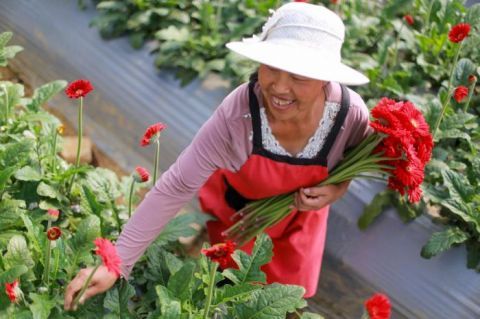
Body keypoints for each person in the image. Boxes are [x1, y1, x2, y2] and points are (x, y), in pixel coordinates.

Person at [64, 1, 370, 310]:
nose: (279, 86)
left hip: (298, 223)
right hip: (239, 215)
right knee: (227, 292)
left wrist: (337, 189)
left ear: (325, 79)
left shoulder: (349, 117)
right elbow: (177, 186)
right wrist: (116, 262)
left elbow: (350, 164)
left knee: (288, 301)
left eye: (299, 77)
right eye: (271, 67)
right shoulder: (239, 116)